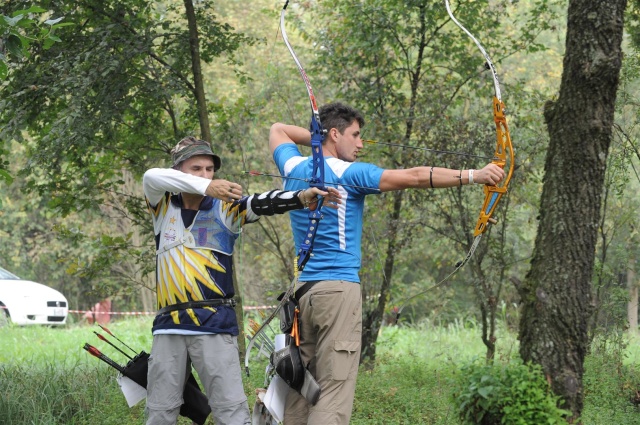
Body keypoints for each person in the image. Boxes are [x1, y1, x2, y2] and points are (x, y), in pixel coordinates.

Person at [269, 102, 506, 424]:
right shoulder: (350, 173)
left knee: (301, 387)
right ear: (335, 134)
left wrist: (317, 137)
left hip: (304, 293)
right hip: (338, 291)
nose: (361, 144)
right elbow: (414, 177)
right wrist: (475, 175)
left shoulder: (293, 167)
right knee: (333, 392)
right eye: (355, 135)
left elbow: (277, 130)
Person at [142, 136, 341, 425]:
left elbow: (261, 202)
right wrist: (206, 186)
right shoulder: (162, 207)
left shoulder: (226, 208)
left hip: (214, 325)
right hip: (168, 327)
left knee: (231, 413)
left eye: (210, 170)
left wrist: (299, 197)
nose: (206, 175)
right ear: (178, 171)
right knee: (159, 413)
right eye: (196, 168)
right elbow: (151, 176)